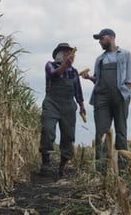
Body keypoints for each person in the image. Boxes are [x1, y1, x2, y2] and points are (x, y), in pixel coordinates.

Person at [81, 28, 131, 173]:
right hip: (102, 97)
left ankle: (122, 167)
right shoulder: (99, 59)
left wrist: (125, 90)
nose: (99, 41)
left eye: (101, 38)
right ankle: (101, 168)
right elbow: (98, 80)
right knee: (101, 132)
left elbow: (130, 78)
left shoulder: (126, 55)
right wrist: (89, 78)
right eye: (98, 39)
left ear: (111, 38)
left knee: (121, 130)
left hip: (120, 96)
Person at [39, 42, 86, 177]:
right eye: (66, 53)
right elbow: (54, 75)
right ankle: (46, 163)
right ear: (58, 55)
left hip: (68, 105)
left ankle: (63, 167)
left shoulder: (74, 72)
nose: (69, 55)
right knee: (48, 130)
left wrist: (82, 106)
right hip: (52, 102)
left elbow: (78, 90)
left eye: (70, 53)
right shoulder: (50, 65)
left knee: (68, 135)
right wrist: (66, 65)